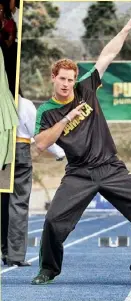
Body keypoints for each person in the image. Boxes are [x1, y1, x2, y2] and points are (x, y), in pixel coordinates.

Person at [31, 8, 131, 286]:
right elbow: (40, 145)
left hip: (110, 167)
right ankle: (48, 269)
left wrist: (126, 29)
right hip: (79, 174)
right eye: (62, 79)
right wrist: (67, 117)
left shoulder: (85, 88)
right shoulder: (46, 111)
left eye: (69, 79)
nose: (66, 84)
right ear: (53, 78)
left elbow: (107, 55)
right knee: (53, 222)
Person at [1, 94, 65, 267]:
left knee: (3, 202)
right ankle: (15, 255)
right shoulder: (24, 104)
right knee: (18, 204)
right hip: (19, 151)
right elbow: (38, 134)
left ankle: (5, 250)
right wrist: (59, 152)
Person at [0, 1, 17, 97]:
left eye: (1, 9)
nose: (0, 11)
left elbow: (9, 42)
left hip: (6, 54)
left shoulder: (10, 23)